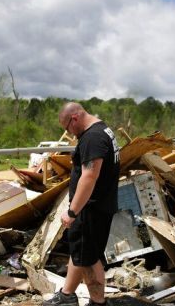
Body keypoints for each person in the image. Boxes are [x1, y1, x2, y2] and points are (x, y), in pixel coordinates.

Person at [44, 102, 120, 306]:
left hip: (90, 209)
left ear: (74, 118)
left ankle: (98, 302)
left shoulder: (92, 139)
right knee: (81, 252)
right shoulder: (103, 130)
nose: (68, 132)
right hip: (99, 205)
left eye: (67, 127)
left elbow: (89, 177)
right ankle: (67, 295)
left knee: (88, 259)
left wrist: (72, 211)